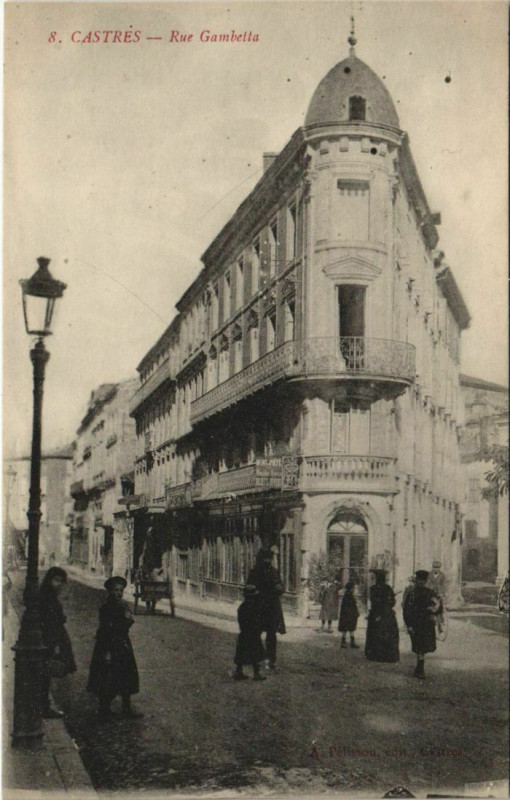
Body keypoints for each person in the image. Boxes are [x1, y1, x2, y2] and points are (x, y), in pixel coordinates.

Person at [87, 576, 142, 720]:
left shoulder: (121, 606)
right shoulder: (107, 608)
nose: (119, 593)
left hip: (121, 644)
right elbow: (110, 629)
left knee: (126, 676)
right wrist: (128, 620)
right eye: (116, 590)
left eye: (121, 590)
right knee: (107, 677)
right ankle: (104, 709)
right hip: (110, 645)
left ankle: (126, 708)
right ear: (110, 591)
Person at [39, 566, 77, 719]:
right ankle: (44, 707)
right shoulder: (45, 598)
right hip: (48, 639)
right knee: (45, 674)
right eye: (56, 580)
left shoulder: (50, 596)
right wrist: (54, 645)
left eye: (61, 581)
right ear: (49, 581)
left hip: (53, 638)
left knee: (46, 674)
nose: (59, 584)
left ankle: (44, 705)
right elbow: (48, 621)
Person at [247, 548, 286, 670]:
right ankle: (259, 657)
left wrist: (279, 589)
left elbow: (281, 587)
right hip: (258, 606)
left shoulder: (274, 572)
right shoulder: (254, 572)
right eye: (265, 558)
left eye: (269, 558)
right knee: (256, 633)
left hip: (272, 607)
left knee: (271, 634)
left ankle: (271, 659)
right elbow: (248, 588)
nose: (267, 561)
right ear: (260, 559)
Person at [403, 569, 442, 679]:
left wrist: (433, 611)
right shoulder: (412, 594)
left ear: (425, 581)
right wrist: (408, 624)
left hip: (426, 624)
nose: (420, 582)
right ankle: (420, 668)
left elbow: (438, 606)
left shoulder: (430, 593)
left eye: (422, 580)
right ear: (416, 580)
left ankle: (420, 668)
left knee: (423, 646)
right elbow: (406, 610)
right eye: (419, 580)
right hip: (415, 623)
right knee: (418, 646)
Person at [364, 569, 399, 663]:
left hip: (376, 613)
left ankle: (375, 655)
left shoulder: (373, 589)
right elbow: (392, 602)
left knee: (375, 634)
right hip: (387, 614)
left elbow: (373, 602)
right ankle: (388, 655)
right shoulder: (388, 588)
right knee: (387, 634)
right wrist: (387, 607)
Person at [233, 585, 266, 681]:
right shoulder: (255, 607)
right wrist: (259, 629)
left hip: (244, 633)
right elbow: (258, 620)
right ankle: (256, 674)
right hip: (253, 634)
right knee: (256, 654)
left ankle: (239, 672)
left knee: (241, 653)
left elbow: (240, 620)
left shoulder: (242, 607)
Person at [338, 582, 360, 648]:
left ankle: (344, 642)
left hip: (346, 615)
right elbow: (352, 606)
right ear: (351, 588)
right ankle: (350, 643)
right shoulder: (349, 596)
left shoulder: (346, 595)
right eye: (353, 588)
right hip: (349, 615)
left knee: (346, 629)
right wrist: (355, 613)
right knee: (351, 629)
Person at [427, 560, 446, 633]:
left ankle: (440, 624)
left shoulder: (442, 575)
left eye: (438, 567)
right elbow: (427, 583)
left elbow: (444, 585)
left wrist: (442, 593)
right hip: (431, 593)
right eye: (434, 567)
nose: (436, 569)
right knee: (429, 606)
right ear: (432, 567)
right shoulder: (429, 575)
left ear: (440, 568)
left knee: (440, 608)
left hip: (439, 593)